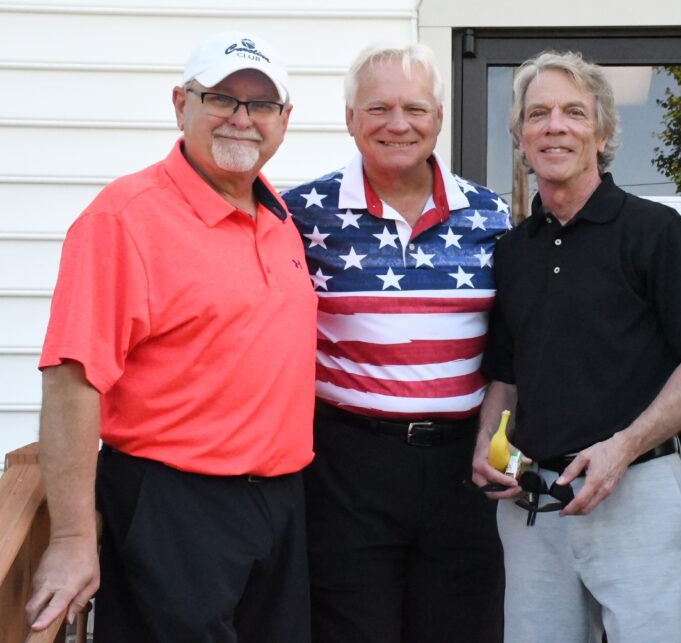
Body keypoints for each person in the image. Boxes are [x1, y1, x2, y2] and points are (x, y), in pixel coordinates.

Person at [25, 32, 316, 641]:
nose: (242, 118)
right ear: (180, 104)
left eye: (260, 105)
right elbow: (72, 379)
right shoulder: (125, 216)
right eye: (221, 98)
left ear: (284, 121)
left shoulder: (280, 218)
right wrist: (76, 539)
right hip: (174, 509)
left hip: (281, 504)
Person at [472, 50, 681, 643]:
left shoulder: (655, 231)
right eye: (537, 114)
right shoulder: (514, 251)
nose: (554, 126)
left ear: (604, 130)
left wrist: (622, 447)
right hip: (533, 505)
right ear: (519, 136)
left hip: (638, 492)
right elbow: (508, 376)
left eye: (573, 112)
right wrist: (490, 448)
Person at [282, 42, 508, 643]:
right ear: (350, 119)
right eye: (378, 108)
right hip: (346, 460)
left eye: (415, 108)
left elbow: (515, 342)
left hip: (462, 464)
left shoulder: (491, 215)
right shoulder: (298, 215)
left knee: (461, 625)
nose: (398, 124)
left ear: (439, 118)